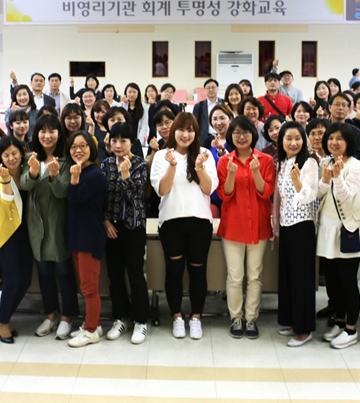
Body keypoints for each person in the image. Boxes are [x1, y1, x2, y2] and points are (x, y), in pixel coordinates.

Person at [150, 112, 218, 340]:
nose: (186, 134)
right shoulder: (161, 156)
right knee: (174, 272)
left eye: (190, 130)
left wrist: (199, 168)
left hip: (200, 222)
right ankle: (177, 316)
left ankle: (196, 317)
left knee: (198, 271)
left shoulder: (206, 154)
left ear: (196, 133)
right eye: (182, 129)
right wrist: (171, 166)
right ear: (174, 131)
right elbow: (162, 190)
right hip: (171, 221)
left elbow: (208, 190)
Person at [217, 116, 275, 341]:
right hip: (233, 226)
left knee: (255, 275)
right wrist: (231, 173)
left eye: (246, 132)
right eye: (237, 133)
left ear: (254, 134)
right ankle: (236, 317)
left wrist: (256, 171)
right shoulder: (224, 162)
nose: (241, 137)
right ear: (230, 136)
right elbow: (225, 195)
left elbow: (266, 192)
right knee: (235, 276)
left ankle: (251, 317)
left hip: (258, 225)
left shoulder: (266, 160)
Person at [20, 115, 77, 340]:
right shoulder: (31, 158)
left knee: (63, 271)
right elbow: (24, 185)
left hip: (57, 222)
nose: (47, 135)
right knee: (44, 272)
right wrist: (34, 171)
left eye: (52, 131)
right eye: (43, 131)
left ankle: (68, 316)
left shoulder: (66, 160)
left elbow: (62, 192)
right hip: (35, 224)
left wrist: (53, 175)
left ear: (59, 134)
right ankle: (51, 314)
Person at [316, 123, 360, 349]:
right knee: (333, 282)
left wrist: (336, 177)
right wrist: (325, 178)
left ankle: (351, 329)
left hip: (348, 229)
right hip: (327, 229)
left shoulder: (356, 166)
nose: (334, 142)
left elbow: (346, 197)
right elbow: (319, 192)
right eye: (330, 138)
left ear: (349, 142)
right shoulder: (324, 162)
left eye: (339, 138)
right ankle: (339, 321)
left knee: (348, 282)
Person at [101, 122, 150, 345]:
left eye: (123, 141)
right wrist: (104, 221)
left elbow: (136, 196)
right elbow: (100, 197)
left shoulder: (139, 164)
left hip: (133, 225)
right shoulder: (106, 164)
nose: (118, 145)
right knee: (115, 275)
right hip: (111, 227)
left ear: (132, 142)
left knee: (136, 273)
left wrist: (126, 174)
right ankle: (120, 317)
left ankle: (141, 320)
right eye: (114, 140)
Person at [273, 121, 318, 347]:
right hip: (286, 226)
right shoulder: (282, 163)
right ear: (282, 141)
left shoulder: (309, 163)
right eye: (288, 138)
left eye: (298, 138)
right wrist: (277, 228)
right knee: (288, 277)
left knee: (302, 280)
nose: (293, 143)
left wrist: (298, 181)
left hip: (302, 226)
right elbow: (278, 200)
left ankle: (304, 329)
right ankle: (292, 321)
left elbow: (309, 196)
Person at [0, 136, 33, 344]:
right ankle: (3, 321)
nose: (11, 158)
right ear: (0, 158)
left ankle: (4, 315)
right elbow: (5, 201)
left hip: (26, 233)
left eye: (14, 153)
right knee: (13, 279)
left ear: (21, 152)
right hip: (5, 234)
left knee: (26, 281)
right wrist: (5, 181)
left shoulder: (28, 170)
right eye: (6, 155)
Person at [64, 131, 107, 347]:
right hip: (76, 236)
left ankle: (91, 331)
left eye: (83, 146)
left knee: (89, 287)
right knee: (84, 285)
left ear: (91, 147)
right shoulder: (80, 171)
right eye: (73, 147)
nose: (78, 150)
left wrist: (73, 178)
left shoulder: (95, 175)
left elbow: (76, 197)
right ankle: (94, 323)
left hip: (89, 238)